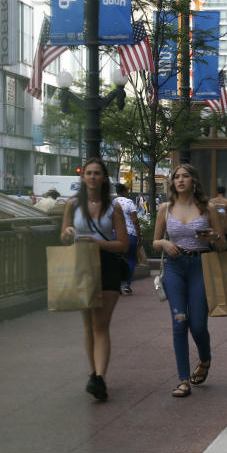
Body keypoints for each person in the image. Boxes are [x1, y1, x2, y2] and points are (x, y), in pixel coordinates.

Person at [152, 164, 227, 398]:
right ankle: (183, 379)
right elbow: (155, 241)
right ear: (172, 182)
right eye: (176, 177)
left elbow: (223, 246)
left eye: (185, 176)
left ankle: (205, 359)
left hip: (201, 266)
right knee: (179, 322)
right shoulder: (165, 208)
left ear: (194, 180)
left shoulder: (208, 208)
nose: (180, 180)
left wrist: (214, 237)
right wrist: (164, 243)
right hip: (175, 268)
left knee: (197, 325)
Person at [60, 158, 129, 401]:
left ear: (103, 178)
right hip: (80, 264)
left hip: (107, 264)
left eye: (97, 173)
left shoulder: (114, 208)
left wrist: (97, 242)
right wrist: (68, 233)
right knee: (88, 324)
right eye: (88, 173)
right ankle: (94, 373)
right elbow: (64, 234)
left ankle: (99, 377)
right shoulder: (72, 204)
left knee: (100, 323)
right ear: (83, 177)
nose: (92, 177)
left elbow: (123, 243)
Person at [113, 183, 141, 294]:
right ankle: (128, 284)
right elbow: (135, 220)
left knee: (116, 260)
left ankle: (117, 285)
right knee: (131, 259)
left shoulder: (112, 202)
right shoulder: (129, 202)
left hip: (115, 234)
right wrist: (139, 235)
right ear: (124, 191)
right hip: (130, 234)